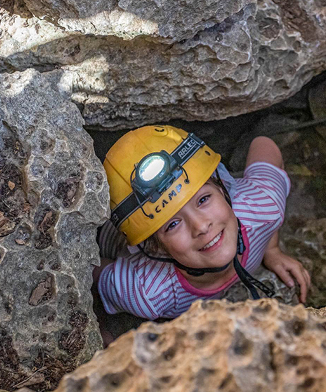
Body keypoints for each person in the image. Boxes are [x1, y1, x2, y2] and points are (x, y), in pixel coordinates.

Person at [93, 125, 310, 345]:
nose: (201, 226)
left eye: (203, 199)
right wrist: (97, 329)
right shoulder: (145, 291)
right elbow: (90, 269)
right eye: (173, 224)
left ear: (224, 188)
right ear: (155, 248)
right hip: (113, 240)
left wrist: (271, 249)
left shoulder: (263, 208)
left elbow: (264, 143)